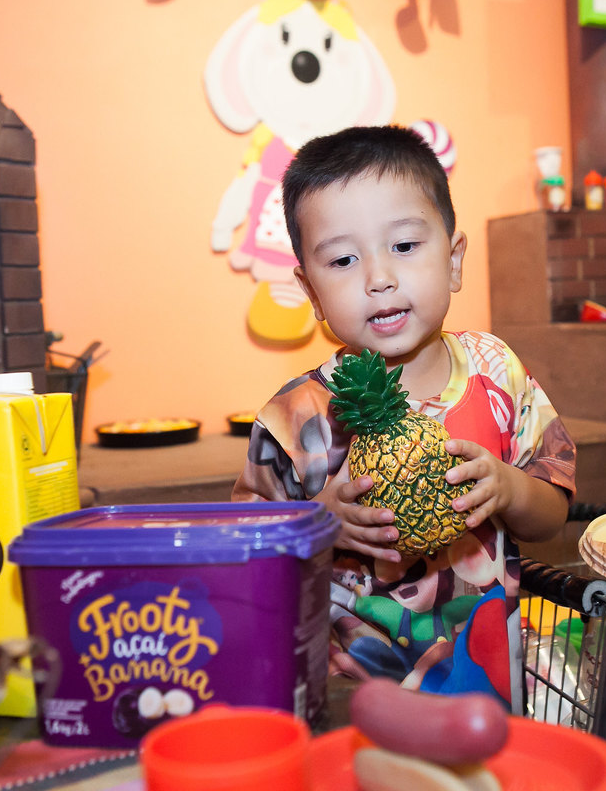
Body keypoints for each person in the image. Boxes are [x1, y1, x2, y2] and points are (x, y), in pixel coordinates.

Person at [232, 125, 576, 711]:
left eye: (405, 246)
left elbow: (553, 511)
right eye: (342, 259)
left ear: (454, 258)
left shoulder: (497, 371)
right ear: (311, 293)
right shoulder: (296, 419)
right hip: (350, 699)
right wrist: (319, 523)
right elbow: (242, 553)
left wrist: (508, 485)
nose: (378, 278)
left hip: (487, 689)